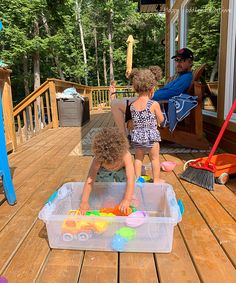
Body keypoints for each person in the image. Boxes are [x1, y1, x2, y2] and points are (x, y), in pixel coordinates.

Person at [111, 48, 194, 134]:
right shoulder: (180, 77)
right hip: (152, 102)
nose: (178, 63)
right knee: (119, 104)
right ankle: (125, 135)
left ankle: (123, 137)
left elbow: (171, 93)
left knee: (115, 104)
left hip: (153, 106)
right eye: (177, 60)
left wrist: (149, 96)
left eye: (182, 60)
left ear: (190, 62)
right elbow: (168, 92)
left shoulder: (186, 78)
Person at [79, 127, 135, 215]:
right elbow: (90, 180)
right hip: (103, 172)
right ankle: (103, 194)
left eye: (115, 165)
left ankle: (126, 194)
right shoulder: (98, 159)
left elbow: (130, 178)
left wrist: (127, 199)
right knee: (101, 188)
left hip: (122, 171)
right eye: (110, 167)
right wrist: (84, 202)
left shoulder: (126, 155)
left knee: (126, 187)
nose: (113, 168)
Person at [128, 68, 165, 183]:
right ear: (152, 88)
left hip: (138, 136)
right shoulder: (153, 104)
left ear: (136, 88)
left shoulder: (132, 105)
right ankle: (157, 179)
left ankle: (138, 179)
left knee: (138, 158)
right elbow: (161, 119)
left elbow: (132, 123)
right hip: (151, 137)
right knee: (154, 158)